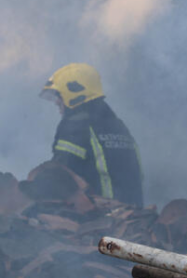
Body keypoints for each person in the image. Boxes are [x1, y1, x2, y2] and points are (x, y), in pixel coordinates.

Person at [38, 63, 144, 207]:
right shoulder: (118, 126)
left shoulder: (75, 126)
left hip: (102, 217)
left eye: (60, 96)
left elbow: (59, 174)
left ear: (74, 93)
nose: (57, 102)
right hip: (134, 214)